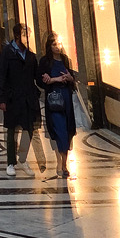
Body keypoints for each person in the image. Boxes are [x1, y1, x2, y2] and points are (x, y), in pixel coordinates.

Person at [0, 22, 45, 177]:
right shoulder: (7, 53)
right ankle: (11, 162)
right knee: (11, 130)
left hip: (28, 97)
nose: (27, 38)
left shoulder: (30, 55)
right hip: (12, 98)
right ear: (17, 36)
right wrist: (1, 98)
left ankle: (22, 159)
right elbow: (0, 76)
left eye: (28, 35)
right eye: (24, 35)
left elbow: (37, 76)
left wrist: (49, 78)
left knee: (28, 129)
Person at [37, 31, 78, 182]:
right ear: (49, 46)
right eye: (54, 44)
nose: (57, 47)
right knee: (58, 130)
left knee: (67, 131)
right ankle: (60, 163)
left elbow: (73, 78)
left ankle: (64, 164)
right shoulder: (45, 62)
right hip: (54, 101)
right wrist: (54, 79)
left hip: (66, 99)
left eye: (59, 43)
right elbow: (40, 80)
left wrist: (69, 78)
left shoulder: (65, 60)